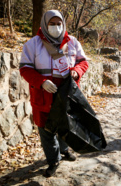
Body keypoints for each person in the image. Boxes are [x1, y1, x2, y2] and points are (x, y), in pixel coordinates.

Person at [19, 10, 89, 177]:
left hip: (66, 95)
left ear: (63, 24)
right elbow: (25, 68)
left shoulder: (72, 42)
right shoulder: (33, 44)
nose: (56, 27)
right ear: (44, 24)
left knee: (66, 126)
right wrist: (41, 82)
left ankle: (64, 151)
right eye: (52, 24)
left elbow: (83, 61)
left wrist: (77, 72)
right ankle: (53, 160)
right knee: (46, 130)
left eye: (59, 24)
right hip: (43, 96)